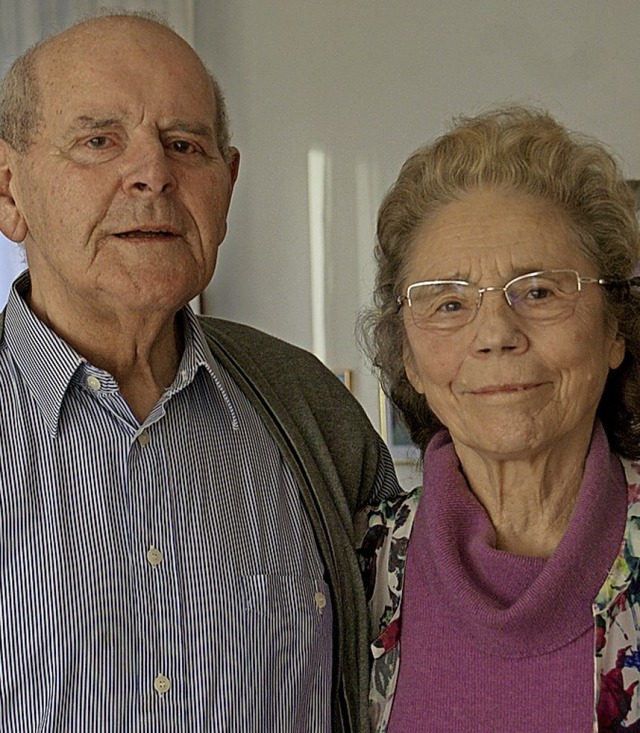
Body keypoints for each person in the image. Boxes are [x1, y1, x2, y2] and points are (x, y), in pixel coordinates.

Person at [0, 12, 399, 732]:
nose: (153, 172)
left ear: (228, 184)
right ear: (7, 190)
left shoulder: (309, 406)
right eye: (98, 141)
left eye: (185, 144)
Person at [357, 106, 640, 732]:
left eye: (539, 291)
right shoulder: (350, 570)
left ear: (614, 326)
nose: (495, 334)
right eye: (450, 302)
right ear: (409, 353)